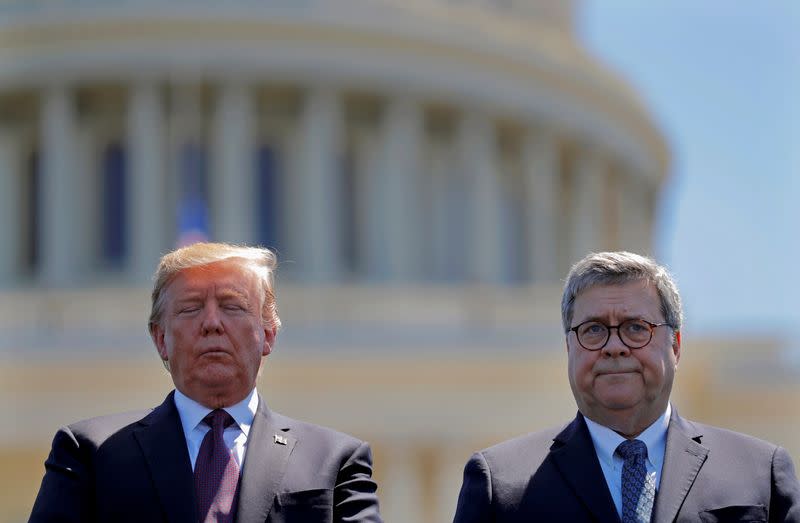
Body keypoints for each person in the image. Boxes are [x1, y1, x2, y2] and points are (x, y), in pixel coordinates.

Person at [30, 242, 382, 523]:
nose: (212, 323)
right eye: (190, 308)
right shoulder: (91, 454)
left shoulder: (333, 461)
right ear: (160, 339)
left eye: (232, 306)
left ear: (268, 333)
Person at [453, 251, 800, 523]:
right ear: (568, 348)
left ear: (676, 345)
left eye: (636, 327)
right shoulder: (502, 485)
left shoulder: (757, 473)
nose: (614, 346)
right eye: (593, 329)